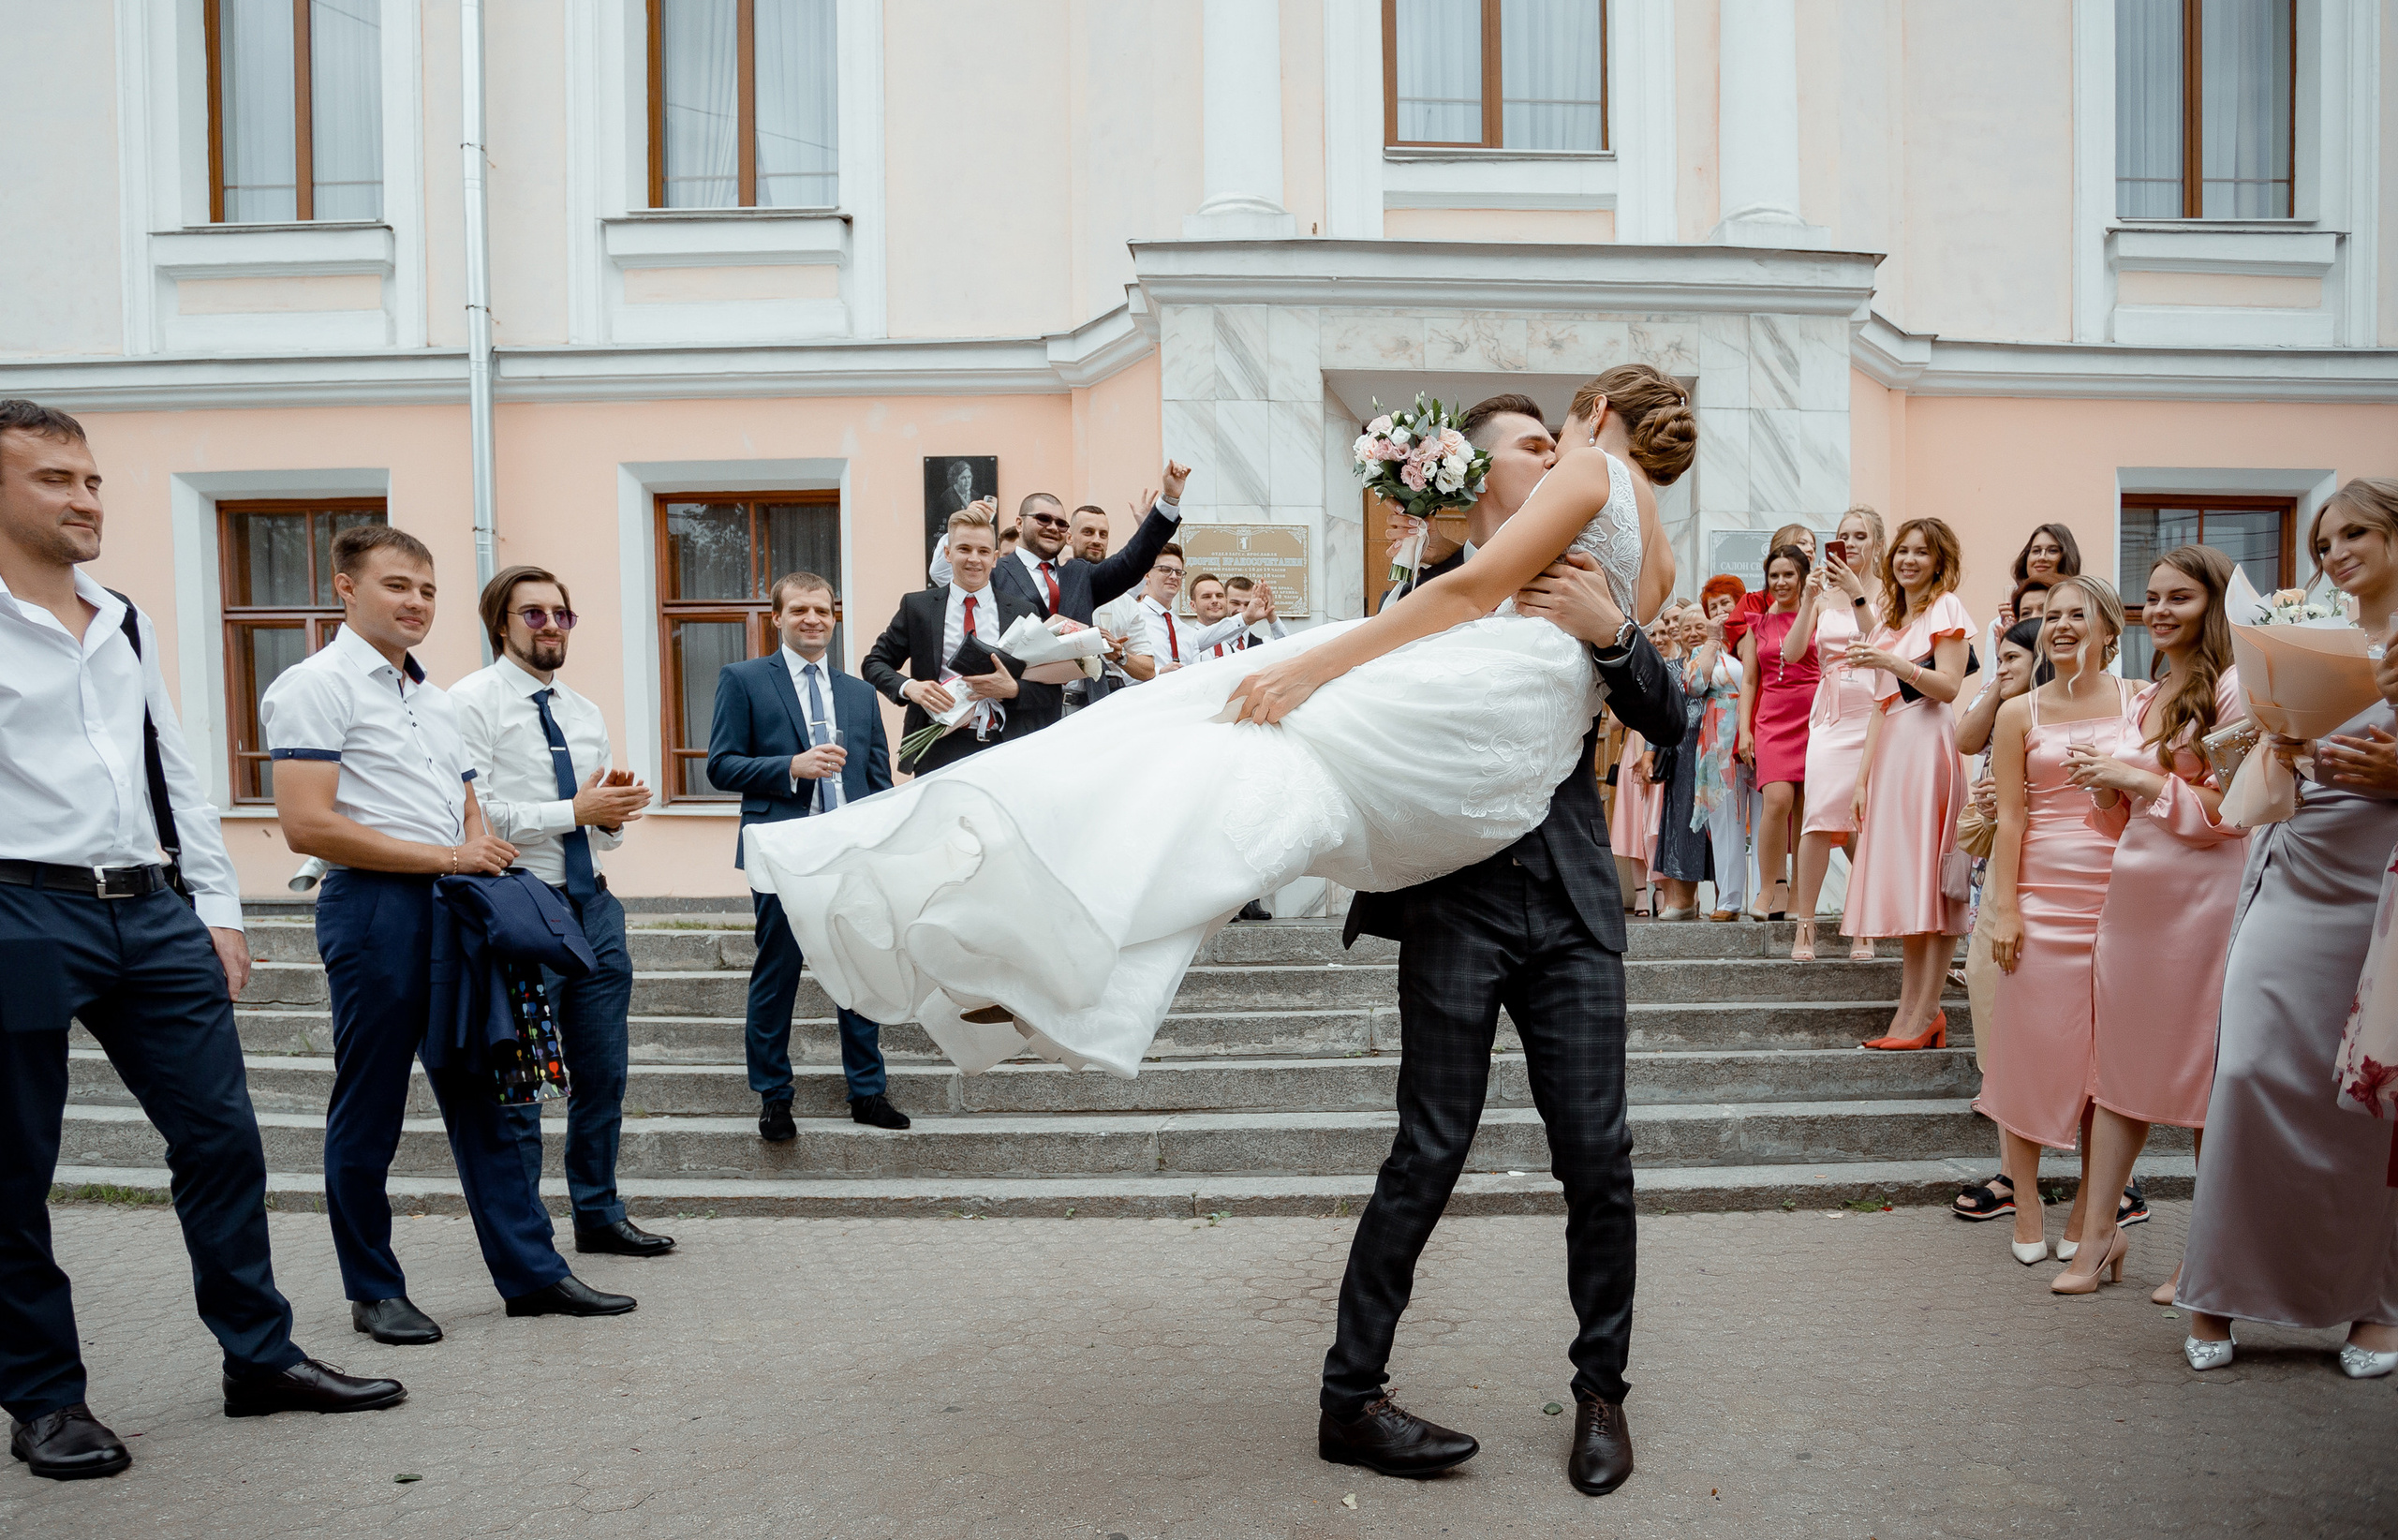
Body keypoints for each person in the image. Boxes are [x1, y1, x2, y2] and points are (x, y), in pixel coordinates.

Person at [742, 365, 1694, 1494]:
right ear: (1474, 476)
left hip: (1571, 902)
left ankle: (1600, 1394)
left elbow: (1665, 712)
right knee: (1425, 1147)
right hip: (1453, 906)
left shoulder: (1587, 575)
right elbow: (1413, 650)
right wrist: (1304, 666)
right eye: (1525, 445)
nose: (1552, 456)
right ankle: (1351, 1398)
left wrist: (1611, 633)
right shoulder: (1430, 584)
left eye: (1554, 438)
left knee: (1597, 1154)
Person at [0, 401, 400, 1480]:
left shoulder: (119, 616)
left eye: (91, 479)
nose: (86, 498)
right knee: (13, 1171)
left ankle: (259, 1359)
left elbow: (170, 764)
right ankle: (45, 1398)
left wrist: (215, 907)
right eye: (54, 479)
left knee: (222, 1140)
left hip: (151, 908)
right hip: (18, 908)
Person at [268, 524, 634, 1344]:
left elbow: (468, 803)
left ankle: (532, 1275)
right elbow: (306, 826)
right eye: (397, 585)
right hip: (374, 908)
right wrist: (453, 856)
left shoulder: (433, 701)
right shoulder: (314, 685)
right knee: (371, 1103)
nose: (416, 602)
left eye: (427, 590)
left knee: (492, 1096)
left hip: (458, 906)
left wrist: (471, 860)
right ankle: (374, 1289)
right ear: (346, 588)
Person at [2178, 480, 2398, 1376]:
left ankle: (2375, 1304)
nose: (2335, 553)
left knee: (2366, 1099)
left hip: (2380, 888)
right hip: (2295, 869)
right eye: (2323, 542)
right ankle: (2218, 1288)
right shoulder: (2305, 628)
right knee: (2247, 1071)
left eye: (2355, 534)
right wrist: (2275, 740)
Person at [451, 565, 674, 1259]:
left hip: (592, 905)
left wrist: (609, 814)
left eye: (561, 614)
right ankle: (527, 1245)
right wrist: (574, 809)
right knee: (523, 1081)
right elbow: (474, 814)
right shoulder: (469, 703)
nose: (551, 626)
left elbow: (599, 830)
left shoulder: (582, 711)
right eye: (534, 614)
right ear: (501, 624)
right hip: (518, 906)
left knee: (602, 1074)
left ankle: (598, 1214)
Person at [2050, 546, 2245, 1296]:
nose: (2159, 610)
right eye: (2153, 597)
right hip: (2133, 902)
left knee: (2203, 1076)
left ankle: (2208, 1252)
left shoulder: (2236, 690)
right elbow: (2120, 821)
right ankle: (2099, 1236)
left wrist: (2134, 776)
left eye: (2179, 598)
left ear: (2214, 606)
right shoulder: (2148, 695)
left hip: (2204, 904)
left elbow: (2237, 811)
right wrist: (2104, 790)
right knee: (2119, 1072)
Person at [707, 571, 903, 1142]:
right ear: (778, 617)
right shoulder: (743, 680)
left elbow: (877, 780)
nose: (812, 619)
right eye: (799, 610)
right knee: (778, 973)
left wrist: (884, 844)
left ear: (833, 618)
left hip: (848, 853)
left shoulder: (859, 693)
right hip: (783, 849)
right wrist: (789, 767)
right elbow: (720, 765)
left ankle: (867, 1092)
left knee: (859, 969)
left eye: (822, 610)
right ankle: (774, 1096)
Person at [1976, 577, 2137, 1265]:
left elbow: (2150, 799)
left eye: (2079, 615)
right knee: (2026, 1049)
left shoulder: (2140, 702)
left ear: (2109, 630)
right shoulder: (2020, 711)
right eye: (2055, 616)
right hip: (2041, 891)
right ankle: (2027, 1202)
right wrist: (2007, 909)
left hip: (2124, 893)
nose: (2062, 625)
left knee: (2108, 1063)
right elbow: (2012, 818)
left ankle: (2088, 1214)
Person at [1842, 517, 1975, 1049]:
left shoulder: (1947, 608)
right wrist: (1861, 780)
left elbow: (1948, 687)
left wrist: (1891, 661)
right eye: (1903, 551)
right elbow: (1880, 708)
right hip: (1893, 751)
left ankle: (1925, 1013)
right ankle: (1909, 1013)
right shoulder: (1892, 620)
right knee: (1913, 885)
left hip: (1928, 747)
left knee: (1934, 885)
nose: (1909, 560)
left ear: (1939, 562)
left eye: (1922, 552)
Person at [866, 507, 1043, 774]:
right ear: (948, 553)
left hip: (1006, 745)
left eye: (983, 551)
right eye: (964, 549)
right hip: (938, 746)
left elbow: (1047, 689)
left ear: (995, 558)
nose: (974, 559)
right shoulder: (919, 607)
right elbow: (874, 663)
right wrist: (910, 687)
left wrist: (1013, 689)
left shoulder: (1023, 611)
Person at [1785, 507, 1885, 961]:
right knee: (1819, 815)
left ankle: (1864, 923)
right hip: (1830, 716)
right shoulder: (1823, 597)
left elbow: (1884, 643)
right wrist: (1809, 600)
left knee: (1866, 818)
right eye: (1845, 535)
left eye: (1861, 536)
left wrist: (1858, 592)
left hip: (1873, 710)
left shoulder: (1888, 595)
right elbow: (1792, 653)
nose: (1852, 543)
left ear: (1876, 543)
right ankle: (1805, 925)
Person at [1737, 544, 1816, 921]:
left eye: (1788, 574)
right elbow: (1749, 680)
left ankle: (1799, 895)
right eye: (1774, 575)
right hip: (1772, 718)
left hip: (1813, 715)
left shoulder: (1817, 614)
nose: (1781, 582)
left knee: (1805, 809)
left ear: (1802, 578)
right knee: (1778, 800)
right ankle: (1768, 888)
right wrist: (1745, 730)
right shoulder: (1757, 623)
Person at [1690, 577, 1751, 921]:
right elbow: (1693, 684)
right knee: (1725, 819)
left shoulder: (1753, 639)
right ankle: (1728, 900)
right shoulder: (1705, 651)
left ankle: (1768, 898)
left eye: (1727, 602)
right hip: (1719, 743)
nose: (1721, 611)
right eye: (1713, 607)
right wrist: (1713, 641)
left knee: (1763, 814)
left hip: (1758, 732)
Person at [1648, 604, 1711, 920]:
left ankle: (1725, 900)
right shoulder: (1670, 670)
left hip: (1716, 754)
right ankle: (1684, 900)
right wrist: (1649, 754)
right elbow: (1659, 714)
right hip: (1681, 756)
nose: (1693, 634)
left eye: (1700, 627)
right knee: (1682, 824)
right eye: (1687, 628)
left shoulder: (1723, 664)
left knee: (1717, 828)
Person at [1133, 544, 1192, 672]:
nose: (1174, 576)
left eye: (1178, 572)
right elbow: (1120, 668)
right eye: (1165, 569)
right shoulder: (1133, 616)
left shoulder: (1186, 631)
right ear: (1147, 574)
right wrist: (1159, 672)